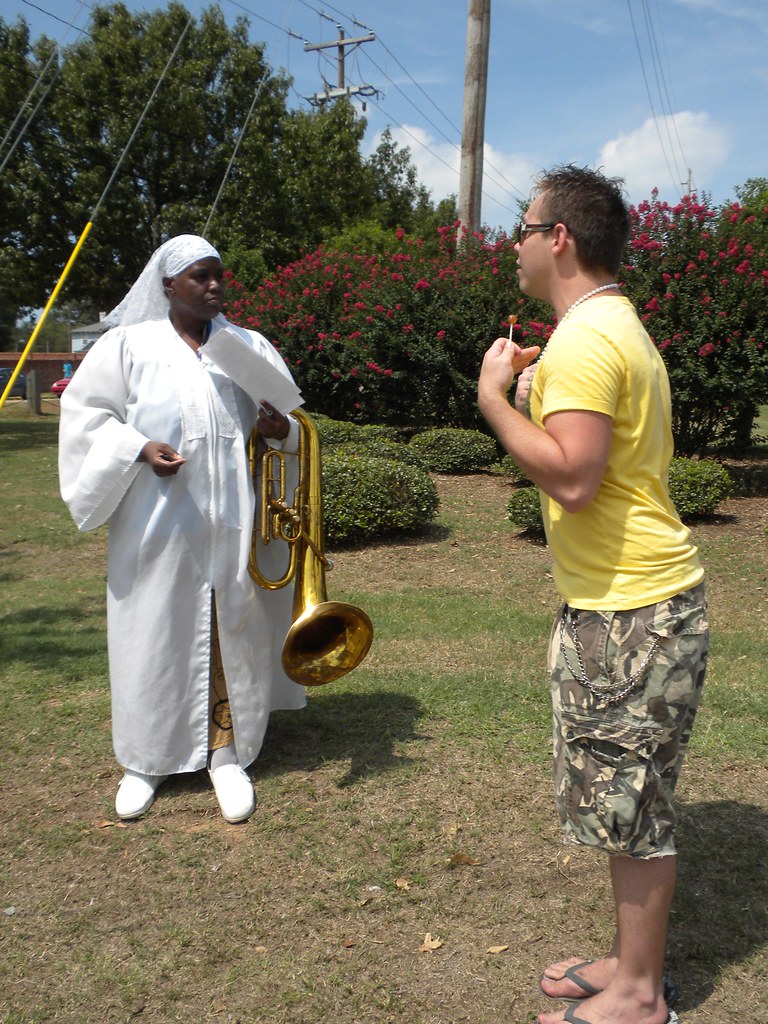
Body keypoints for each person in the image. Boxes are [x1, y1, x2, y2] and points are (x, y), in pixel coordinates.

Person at [477, 166, 708, 1024]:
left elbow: (573, 479)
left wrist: (494, 400)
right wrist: (540, 397)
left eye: (525, 229)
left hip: (631, 612)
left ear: (559, 239)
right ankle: (627, 964)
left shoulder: (582, 338)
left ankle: (641, 998)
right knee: (626, 797)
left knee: (633, 805)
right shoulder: (613, 327)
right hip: (636, 602)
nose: (517, 244)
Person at [59, 234, 306, 824]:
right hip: (158, 526)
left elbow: (295, 426)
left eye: (219, 274)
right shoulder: (127, 347)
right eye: (200, 276)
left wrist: (279, 431)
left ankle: (228, 754)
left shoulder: (248, 347)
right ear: (168, 285)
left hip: (234, 524)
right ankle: (145, 761)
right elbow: (88, 419)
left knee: (232, 626)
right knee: (153, 631)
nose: (215, 285)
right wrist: (139, 446)